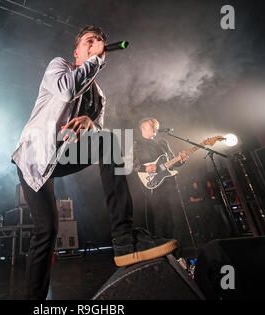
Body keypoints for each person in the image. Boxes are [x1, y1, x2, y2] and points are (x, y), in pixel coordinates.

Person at [11, 26, 179, 299]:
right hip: (35, 156)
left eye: (99, 41)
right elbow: (66, 91)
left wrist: (90, 122)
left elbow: (97, 133)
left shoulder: (99, 96)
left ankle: (124, 239)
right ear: (77, 52)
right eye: (89, 41)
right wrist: (96, 59)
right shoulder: (59, 67)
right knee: (47, 231)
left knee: (112, 141)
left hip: (63, 152)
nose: (97, 43)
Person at [133, 118, 189, 240]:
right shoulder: (136, 143)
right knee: (161, 218)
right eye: (151, 125)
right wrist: (144, 168)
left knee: (178, 217)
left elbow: (172, 162)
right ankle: (164, 254)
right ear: (143, 128)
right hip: (154, 185)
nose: (155, 128)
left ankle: (179, 254)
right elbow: (131, 163)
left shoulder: (163, 142)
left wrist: (181, 160)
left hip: (170, 183)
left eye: (155, 126)